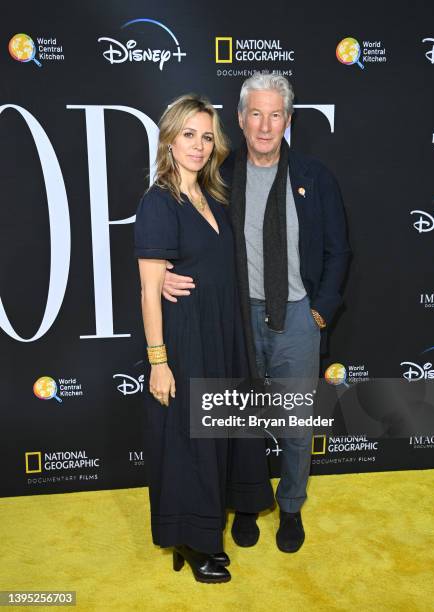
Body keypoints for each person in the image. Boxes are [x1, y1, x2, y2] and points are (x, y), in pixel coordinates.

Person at [162, 74, 351, 553]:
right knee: (237, 421)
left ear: (287, 120)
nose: (265, 125)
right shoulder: (217, 177)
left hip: (297, 321)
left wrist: (320, 313)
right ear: (241, 119)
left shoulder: (314, 177)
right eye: (256, 114)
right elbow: (181, 229)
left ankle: (290, 508)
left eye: (275, 115)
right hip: (236, 317)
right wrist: (162, 273)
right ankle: (245, 505)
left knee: (295, 426)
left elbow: (338, 250)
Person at [134, 94, 273, 583]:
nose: (197, 145)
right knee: (192, 441)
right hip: (186, 338)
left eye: (206, 136)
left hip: (222, 332)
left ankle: (209, 525)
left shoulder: (214, 195)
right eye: (188, 134)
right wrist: (158, 361)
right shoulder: (158, 201)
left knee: (218, 433)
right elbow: (150, 291)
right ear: (169, 139)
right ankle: (194, 542)